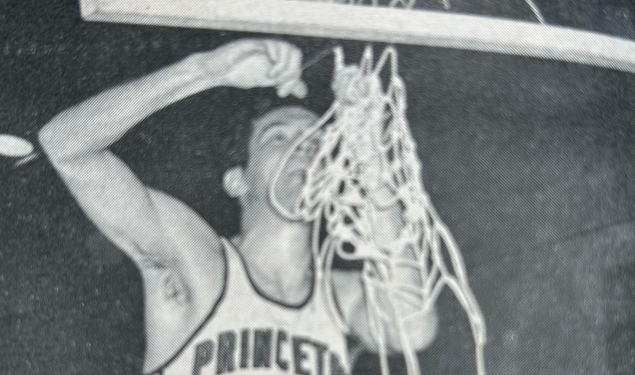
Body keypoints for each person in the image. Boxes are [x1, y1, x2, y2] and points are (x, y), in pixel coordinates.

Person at [38, 39, 438, 375]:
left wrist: (371, 157)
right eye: (279, 138)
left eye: (316, 144)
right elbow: (66, 145)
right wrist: (206, 71)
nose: (304, 151)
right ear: (237, 179)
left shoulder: (342, 296)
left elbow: (414, 328)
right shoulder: (197, 258)